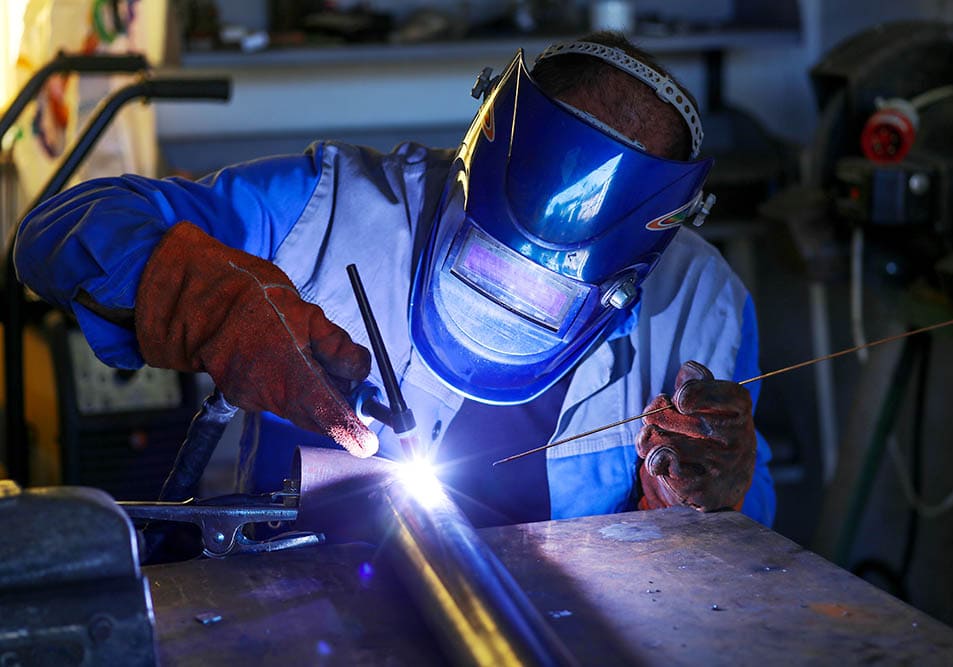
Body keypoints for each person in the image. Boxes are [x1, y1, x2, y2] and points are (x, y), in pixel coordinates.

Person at [14, 32, 775, 528]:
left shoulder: (700, 312)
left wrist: (704, 497)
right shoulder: (330, 209)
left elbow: (743, 557)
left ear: (629, 271)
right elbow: (53, 233)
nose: (512, 301)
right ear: (474, 177)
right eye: (490, 265)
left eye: (547, 296)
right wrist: (213, 302)